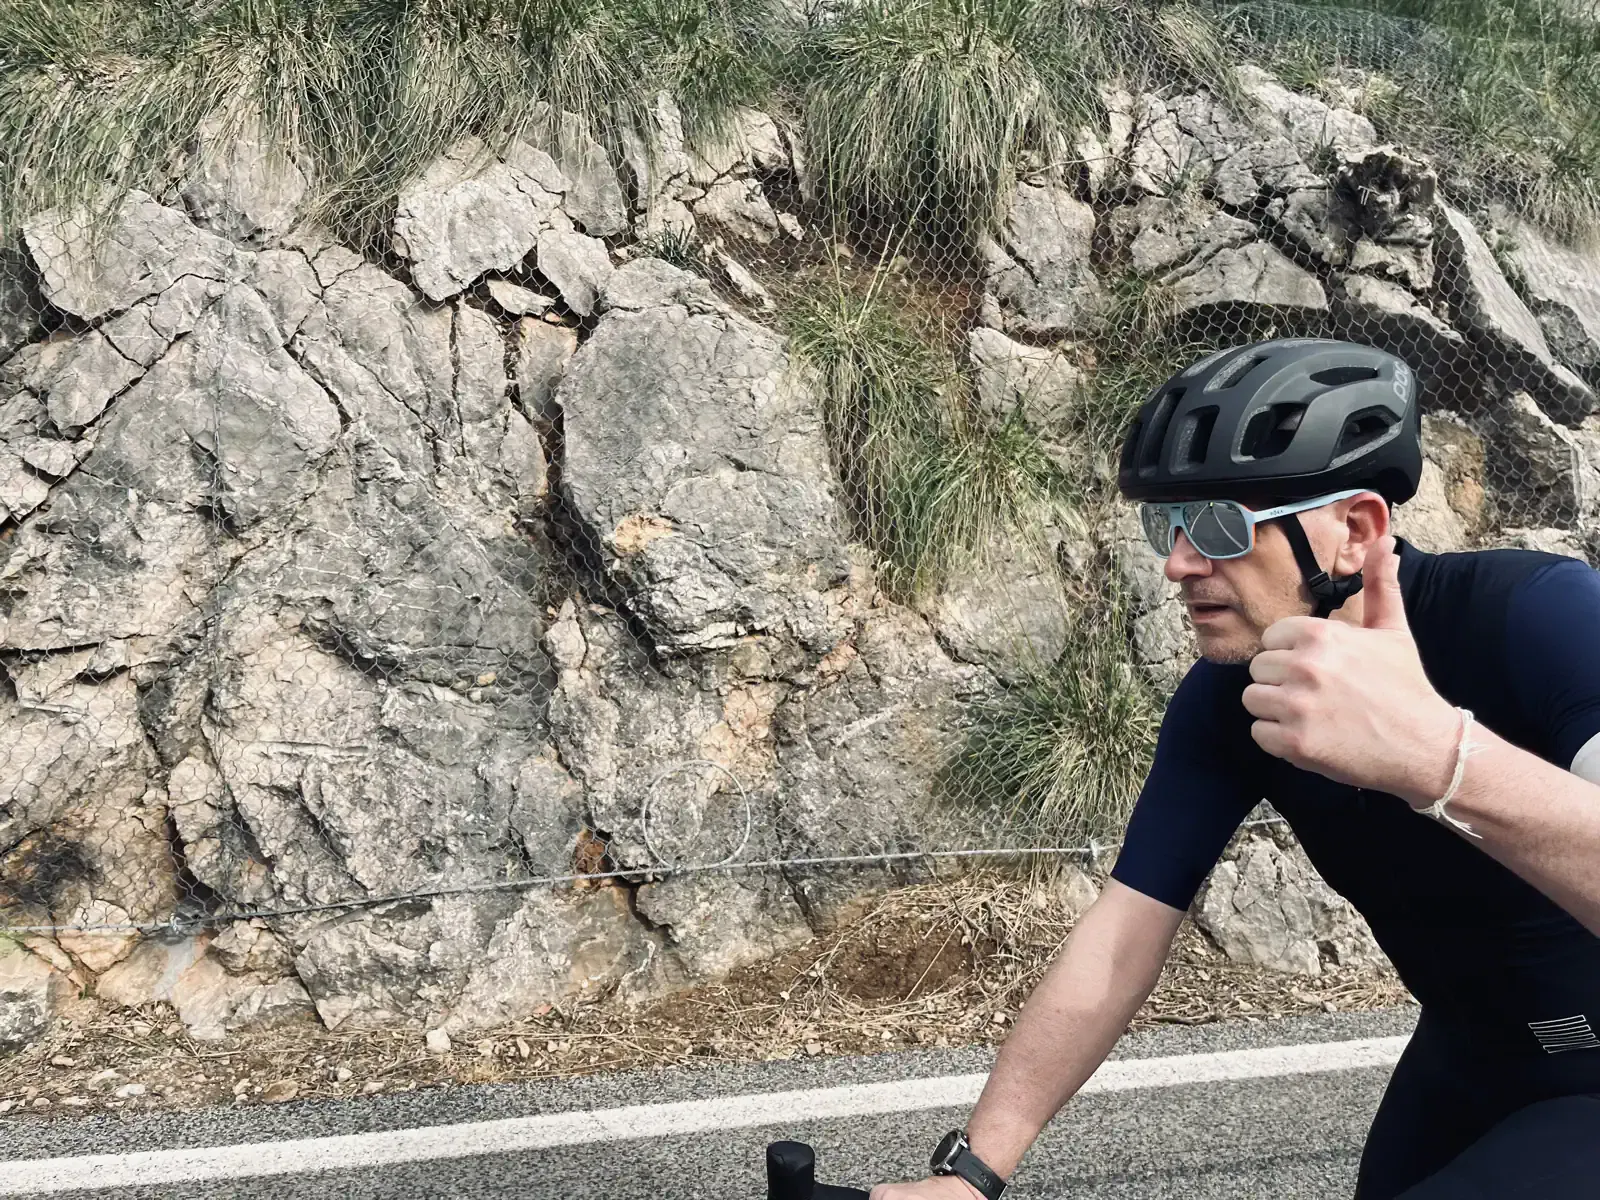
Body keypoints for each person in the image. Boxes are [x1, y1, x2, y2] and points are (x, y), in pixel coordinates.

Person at [869, 339, 1600, 1200]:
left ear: (1355, 531)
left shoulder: (1537, 617)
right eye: (1167, 526)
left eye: (1218, 524)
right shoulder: (1232, 697)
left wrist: (1437, 757)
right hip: (1468, 1056)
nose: (1179, 563)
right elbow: (1123, 933)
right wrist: (971, 1174)